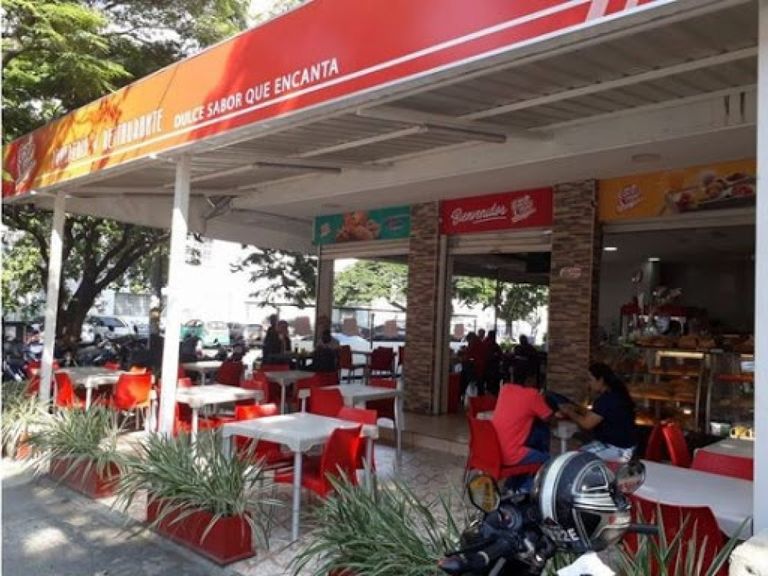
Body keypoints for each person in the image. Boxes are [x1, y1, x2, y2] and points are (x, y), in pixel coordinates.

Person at [559, 362, 638, 463]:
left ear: (600, 380)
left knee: (575, 459)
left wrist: (569, 412)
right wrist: (577, 408)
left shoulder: (607, 399)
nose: (589, 384)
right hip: (625, 446)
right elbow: (596, 414)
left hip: (617, 449)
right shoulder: (615, 394)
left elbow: (587, 424)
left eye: (590, 380)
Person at [492, 374, 554, 488]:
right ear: (530, 380)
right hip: (510, 455)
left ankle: (512, 486)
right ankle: (525, 489)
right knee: (548, 460)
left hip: (494, 451)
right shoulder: (532, 395)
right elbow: (548, 417)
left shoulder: (505, 389)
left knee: (532, 441)